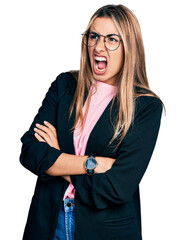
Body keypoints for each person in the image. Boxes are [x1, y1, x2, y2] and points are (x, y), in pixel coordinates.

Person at [19, 4, 165, 240]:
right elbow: (31, 152)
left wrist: (57, 157)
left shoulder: (146, 107)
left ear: (129, 47)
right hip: (47, 222)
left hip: (105, 230)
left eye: (111, 39)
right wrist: (93, 164)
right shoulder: (64, 85)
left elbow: (117, 187)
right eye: (94, 36)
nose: (98, 46)